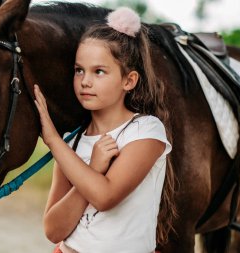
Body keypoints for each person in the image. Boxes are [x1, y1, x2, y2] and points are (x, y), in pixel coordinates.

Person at [34, 7, 176, 253]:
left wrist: (52, 140)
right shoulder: (73, 144)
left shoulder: (145, 131)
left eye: (98, 71)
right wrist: (93, 167)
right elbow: (53, 230)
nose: (85, 81)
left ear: (128, 81)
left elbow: (105, 196)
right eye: (79, 70)